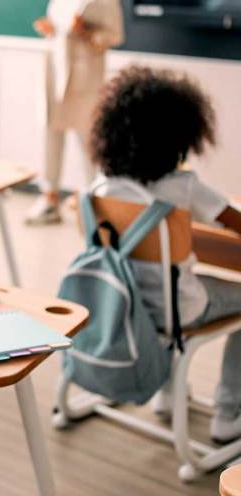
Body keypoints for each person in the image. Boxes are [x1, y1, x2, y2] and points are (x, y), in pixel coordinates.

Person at [90, 66, 241, 443]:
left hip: (123, 301)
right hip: (178, 308)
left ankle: (167, 394)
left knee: (168, 281)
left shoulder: (104, 185)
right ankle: (230, 410)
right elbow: (234, 221)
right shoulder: (183, 185)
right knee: (183, 288)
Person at [26, 0, 124, 225]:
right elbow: (60, 25)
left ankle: (99, 202)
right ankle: (50, 197)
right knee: (51, 132)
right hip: (56, 69)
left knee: (88, 138)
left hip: (84, 75)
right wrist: (51, 29)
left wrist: (84, 33)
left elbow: (114, 35)